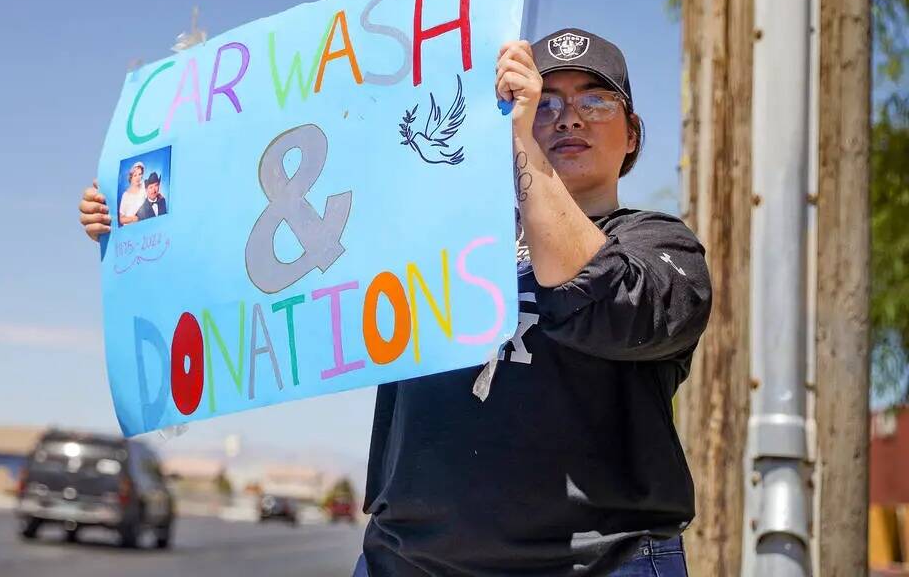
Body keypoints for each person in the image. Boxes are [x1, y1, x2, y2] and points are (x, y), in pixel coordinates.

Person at [76, 28, 711, 576]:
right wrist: (144, 224)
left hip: (596, 564)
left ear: (631, 136)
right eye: (546, 100)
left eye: (595, 101)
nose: (568, 117)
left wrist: (522, 146)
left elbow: (597, 301)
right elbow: (271, 261)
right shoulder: (434, 238)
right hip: (411, 560)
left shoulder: (661, 248)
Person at [118, 161, 147, 226]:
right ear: (131, 177)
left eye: (140, 174)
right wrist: (133, 219)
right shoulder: (125, 195)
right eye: (135, 175)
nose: (138, 177)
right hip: (129, 230)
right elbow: (121, 219)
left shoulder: (144, 188)